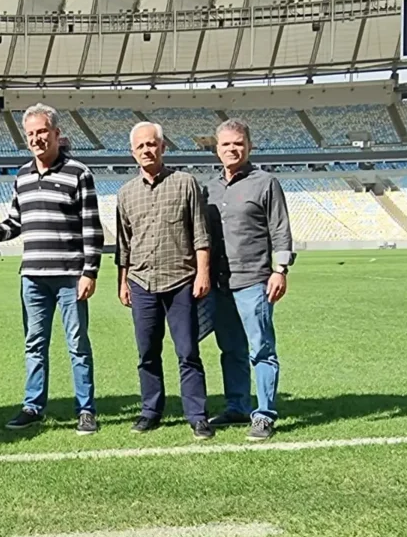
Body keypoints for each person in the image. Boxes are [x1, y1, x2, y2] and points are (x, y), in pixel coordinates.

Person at [0, 103, 103, 435]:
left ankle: (86, 409)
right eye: (31, 133)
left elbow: (91, 228)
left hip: (68, 276)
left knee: (77, 344)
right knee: (34, 343)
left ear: (56, 134)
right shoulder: (22, 175)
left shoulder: (78, 173)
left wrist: (89, 272)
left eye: (42, 132)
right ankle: (33, 406)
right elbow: (15, 222)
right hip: (32, 276)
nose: (37, 138)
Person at [115, 121, 214, 439]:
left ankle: (197, 415)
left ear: (163, 146)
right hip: (141, 282)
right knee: (146, 353)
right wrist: (123, 281)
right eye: (140, 145)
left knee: (188, 352)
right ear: (133, 153)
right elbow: (123, 244)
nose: (147, 149)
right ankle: (150, 411)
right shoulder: (125, 193)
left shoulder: (186, 183)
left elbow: (201, 232)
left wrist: (203, 273)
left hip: (181, 280)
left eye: (152, 143)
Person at [205, 118, 295, 441]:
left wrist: (280, 270)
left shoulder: (265, 183)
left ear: (249, 146)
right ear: (217, 149)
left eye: (238, 143)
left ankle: (265, 414)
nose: (232, 149)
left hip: (255, 281)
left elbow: (280, 229)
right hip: (220, 283)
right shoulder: (210, 188)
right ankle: (238, 406)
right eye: (226, 144)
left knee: (261, 349)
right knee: (230, 349)